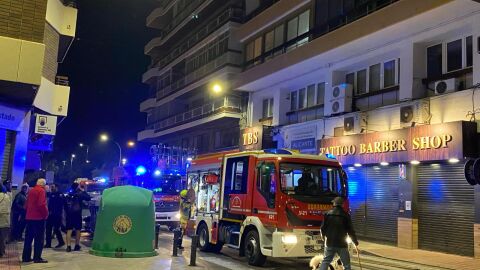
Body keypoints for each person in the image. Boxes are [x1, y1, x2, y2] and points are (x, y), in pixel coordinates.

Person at [319, 197, 359, 270]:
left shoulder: (327, 214)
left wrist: (323, 237)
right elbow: (351, 231)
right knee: (346, 264)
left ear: (334, 203)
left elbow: (322, 228)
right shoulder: (346, 215)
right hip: (342, 244)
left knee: (326, 261)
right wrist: (355, 242)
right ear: (342, 205)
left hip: (330, 243)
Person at [22, 178, 49, 263]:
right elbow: (41, 204)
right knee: (39, 239)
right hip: (38, 218)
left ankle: (26, 257)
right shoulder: (41, 191)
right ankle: (37, 257)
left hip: (29, 218)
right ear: (43, 185)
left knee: (28, 239)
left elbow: (26, 204)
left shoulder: (31, 190)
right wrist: (46, 214)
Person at [64, 182, 90, 252]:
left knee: (69, 230)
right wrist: (83, 190)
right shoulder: (79, 194)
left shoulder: (68, 195)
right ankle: (76, 245)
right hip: (77, 214)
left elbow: (65, 205)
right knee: (78, 230)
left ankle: (68, 246)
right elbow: (88, 198)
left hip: (69, 214)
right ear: (77, 187)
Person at [45, 184, 65, 248]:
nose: (52, 188)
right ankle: (48, 244)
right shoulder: (51, 194)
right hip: (50, 214)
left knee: (56, 229)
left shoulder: (60, 194)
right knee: (48, 229)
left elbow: (63, 204)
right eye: (51, 187)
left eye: (53, 187)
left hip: (57, 214)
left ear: (57, 187)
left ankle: (61, 242)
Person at [0, 181, 12, 257]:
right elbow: (9, 207)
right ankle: (1, 252)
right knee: (2, 238)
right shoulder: (7, 196)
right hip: (4, 220)